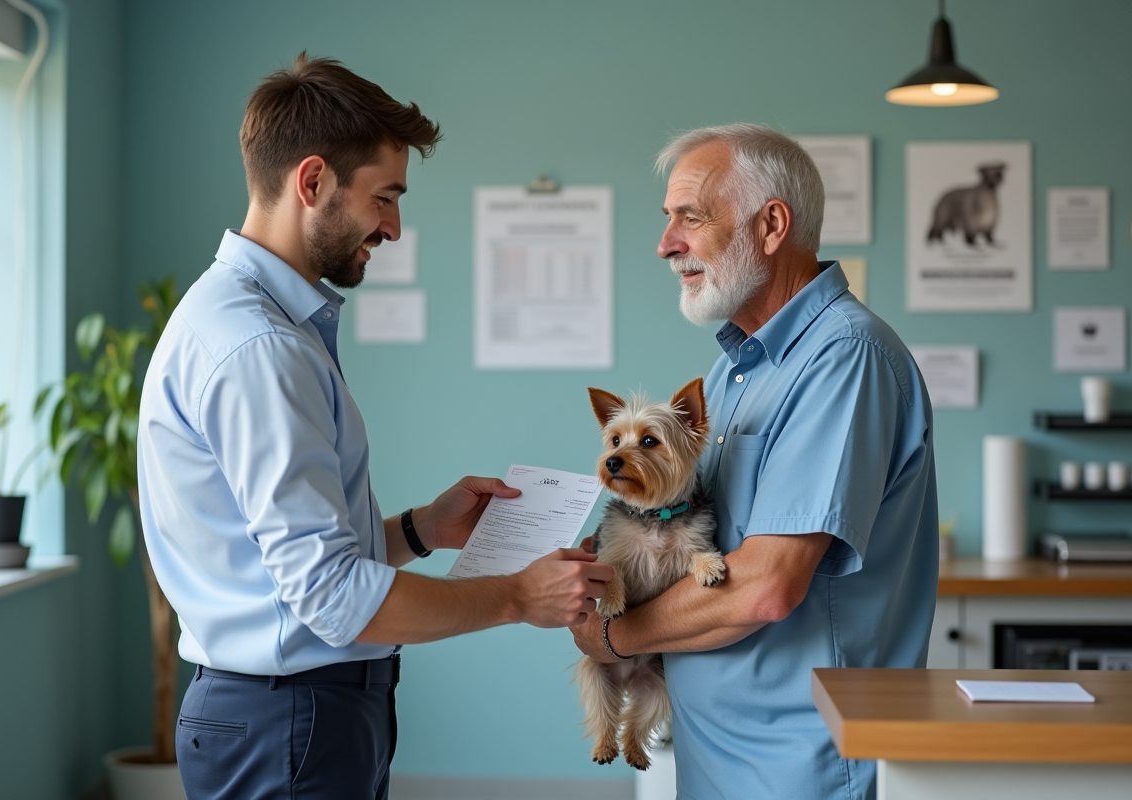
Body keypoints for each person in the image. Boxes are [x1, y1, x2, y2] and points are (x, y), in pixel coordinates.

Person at [137, 53, 612, 800]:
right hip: (290, 723)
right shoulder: (260, 347)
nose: (392, 226)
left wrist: (422, 528)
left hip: (293, 717)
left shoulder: (250, 322)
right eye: (385, 197)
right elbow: (328, 595)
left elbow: (278, 565)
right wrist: (519, 596)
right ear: (313, 181)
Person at [571, 123, 939, 800]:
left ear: (771, 225)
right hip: (719, 755)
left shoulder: (844, 358)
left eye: (691, 217)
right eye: (667, 220)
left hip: (799, 762)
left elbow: (767, 586)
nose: (666, 243)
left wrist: (614, 638)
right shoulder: (735, 369)